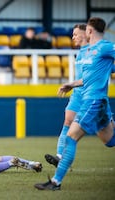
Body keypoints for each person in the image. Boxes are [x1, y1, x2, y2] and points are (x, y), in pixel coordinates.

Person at [34, 17, 115, 191]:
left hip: (93, 101)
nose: (81, 33)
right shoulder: (89, 52)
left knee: (71, 137)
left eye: (85, 30)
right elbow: (88, 77)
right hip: (96, 101)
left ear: (90, 31)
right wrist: (71, 85)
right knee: (110, 141)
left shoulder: (106, 47)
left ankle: (55, 182)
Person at [44, 24, 88, 167]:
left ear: (87, 33)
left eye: (76, 34)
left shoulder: (97, 51)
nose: (73, 37)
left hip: (92, 96)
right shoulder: (81, 52)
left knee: (108, 137)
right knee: (67, 123)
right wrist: (73, 86)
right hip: (77, 94)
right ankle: (59, 157)